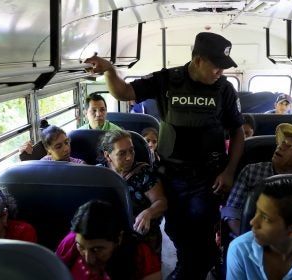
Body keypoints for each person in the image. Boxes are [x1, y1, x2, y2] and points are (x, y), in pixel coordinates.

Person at [85, 31, 244, 280]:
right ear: (199, 60)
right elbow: (123, 92)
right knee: (176, 228)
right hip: (173, 174)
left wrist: (229, 171)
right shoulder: (167, 80)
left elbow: (237, 131)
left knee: (201, 230)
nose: (220, 72)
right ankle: (188, 264)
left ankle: (192, 270)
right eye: (217, 66)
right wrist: (110, 70)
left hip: (208, 177)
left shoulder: (224, 90)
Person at [222, 123, 292, 237]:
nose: (281, 146)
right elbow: (232, 212)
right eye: (282, 143)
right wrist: (252, 240)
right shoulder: (251, 171)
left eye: (290, 147)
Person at [99, 129, 167, 256]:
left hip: (139, 232)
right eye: (122, 153)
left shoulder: (144, 173)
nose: (129, 157)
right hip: (107, 233)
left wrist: (149, 212)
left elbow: (161, 202)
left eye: (131, 150)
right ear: (107, 155)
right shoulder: (98, 174)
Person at [56, 200, 161, 280]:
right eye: (81, 247)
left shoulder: (140, 253)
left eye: (97, 249)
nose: (88, 259)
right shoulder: (70, 241)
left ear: (118, 239)